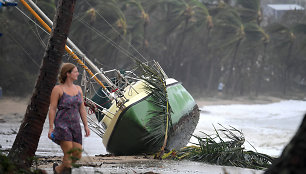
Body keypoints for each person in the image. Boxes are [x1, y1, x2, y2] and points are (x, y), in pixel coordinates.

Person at [48, 63, 90, 174]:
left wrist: (86, 125)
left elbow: (82, 108)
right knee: (68, 153)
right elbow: (52, 109)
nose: (78, 73)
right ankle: (65, 171)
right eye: (75, 71)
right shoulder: (58, 89)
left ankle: (58, 170)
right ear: (68, 74)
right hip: (62, 125)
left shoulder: (78, 89)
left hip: (75, 125)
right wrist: (51, 127)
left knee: (77, 155)